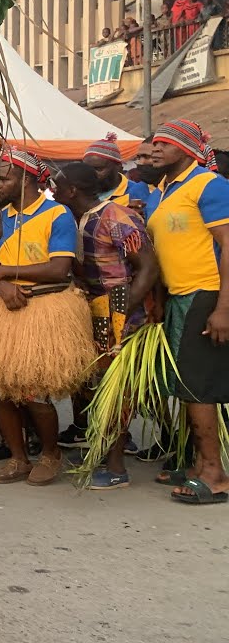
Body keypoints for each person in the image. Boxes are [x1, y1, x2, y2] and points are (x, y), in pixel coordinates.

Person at [0, 148, 95, 486]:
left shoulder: (57, 214)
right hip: (1, 308)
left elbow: (60, 268)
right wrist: (1, 287)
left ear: (26, 178)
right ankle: (18, 457)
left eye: (5, 178)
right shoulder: (0, 217)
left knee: (32, 391)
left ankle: (50, 453)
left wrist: (6, 274)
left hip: (43, 307)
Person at [52, 162, 160, 489]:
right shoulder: (72, 218)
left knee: (117, 387)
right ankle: (100, 450)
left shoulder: (116, 216)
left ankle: (116, 467)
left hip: (118, 307)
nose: (53, 191)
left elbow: (148, 268)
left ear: (73, 190)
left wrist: (125, 310)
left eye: (58, 186)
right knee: (96, 383)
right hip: (93, 307)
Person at [143, 119, 229, 504]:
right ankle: (198, 463)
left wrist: (224, 308)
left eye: (165, 143)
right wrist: (159, 300)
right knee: (188, 386)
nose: (156, 148)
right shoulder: (161, 192)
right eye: (155, 142)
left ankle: (214, 475)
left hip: (207, 294)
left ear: (189, 150)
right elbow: (162, 253)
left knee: (199, 387)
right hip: (180, 297)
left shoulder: (210, 185)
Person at [86, 133, 153, 208]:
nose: (91, 174)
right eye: (87, 168)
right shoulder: (81, 193)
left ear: (118, 167)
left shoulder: (136, 191)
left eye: (99, 169)